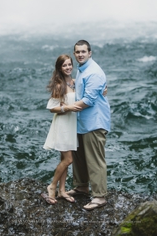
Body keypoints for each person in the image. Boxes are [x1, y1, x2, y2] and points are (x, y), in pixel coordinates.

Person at [63, 40, 111, 210]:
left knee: (95, 160)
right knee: (79, 156)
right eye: (77, 52)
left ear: (90, 53)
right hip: (82, 122)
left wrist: (65, 109)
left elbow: (89, 100)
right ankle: (82, 186)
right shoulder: (83, 69)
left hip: (94, 123)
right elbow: (84, 88)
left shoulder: (94, 72)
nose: (80, 54)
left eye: (84, 51)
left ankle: (100, 197)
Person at [40, 54, 77, 204]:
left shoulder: (74, 82)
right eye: (64, 65)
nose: (68, 67)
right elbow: (51, 108)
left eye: (69, 65)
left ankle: (62, 190)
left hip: (72, 125)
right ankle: (52, 186)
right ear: (59, 68)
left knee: (64, 159)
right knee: (69, 159)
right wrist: (67, 108)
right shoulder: (59, 85)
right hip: (62, 125)